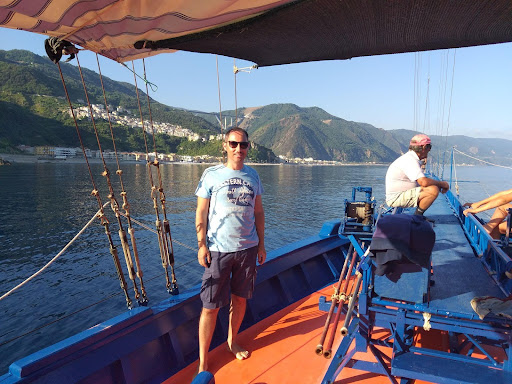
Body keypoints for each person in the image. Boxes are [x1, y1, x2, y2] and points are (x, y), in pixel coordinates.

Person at [195, 127, 266, 374]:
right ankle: (203, 361)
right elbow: (201, 211)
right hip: (217, 251)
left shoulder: (254, 176)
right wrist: (202, 244)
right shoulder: (211, 175)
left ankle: (231, 341)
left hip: (248, 249)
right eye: (234, 144)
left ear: (248, 147)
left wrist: (262, 244)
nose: (239, 149)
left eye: (243, 145)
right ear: (225, 145)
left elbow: (258, 212)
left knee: (240, 299)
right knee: (210, 306)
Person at [385, 134, 449, 215]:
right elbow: (423, 182)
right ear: (424, 147)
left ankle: (418, 217)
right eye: (429, 147)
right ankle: (417, 218)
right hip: (395, 198)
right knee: (433, 190)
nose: (429, 150)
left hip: (399, 195)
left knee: (431, 187)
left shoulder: (409, 158)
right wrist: (442, 184)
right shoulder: (410, 160)